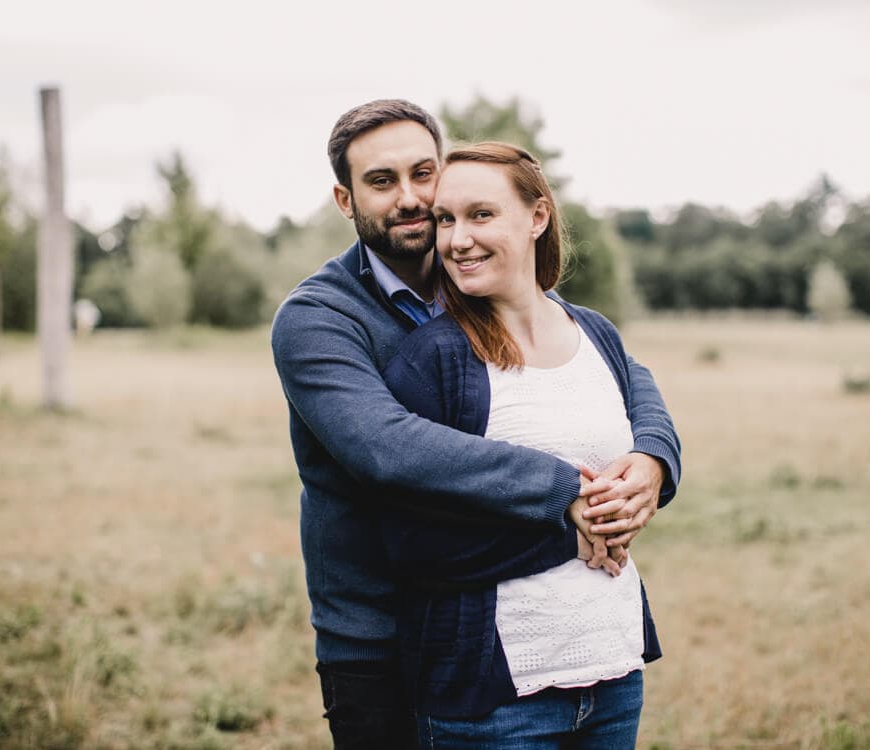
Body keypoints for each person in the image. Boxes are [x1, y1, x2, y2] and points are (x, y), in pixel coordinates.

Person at [270, 100, 681, 749]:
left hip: (504, 628)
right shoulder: (317, 318)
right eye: (381, 181)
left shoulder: (477, 275)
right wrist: (569, 495)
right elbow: (385, 446)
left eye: (422, 173)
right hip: (375, 636)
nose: (410, 198)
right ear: (345, 200)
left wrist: (653, 458)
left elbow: (615, 368)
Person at [382, 142, 666, 748]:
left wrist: (653, 468)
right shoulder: (435, 358)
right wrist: (569, 533)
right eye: (445, 220)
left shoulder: (596, 333)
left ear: (537, 217)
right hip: (495, 705)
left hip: (613, 673)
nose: (458, 240)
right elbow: (408, 545)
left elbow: (647, 418)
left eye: (481, 215)